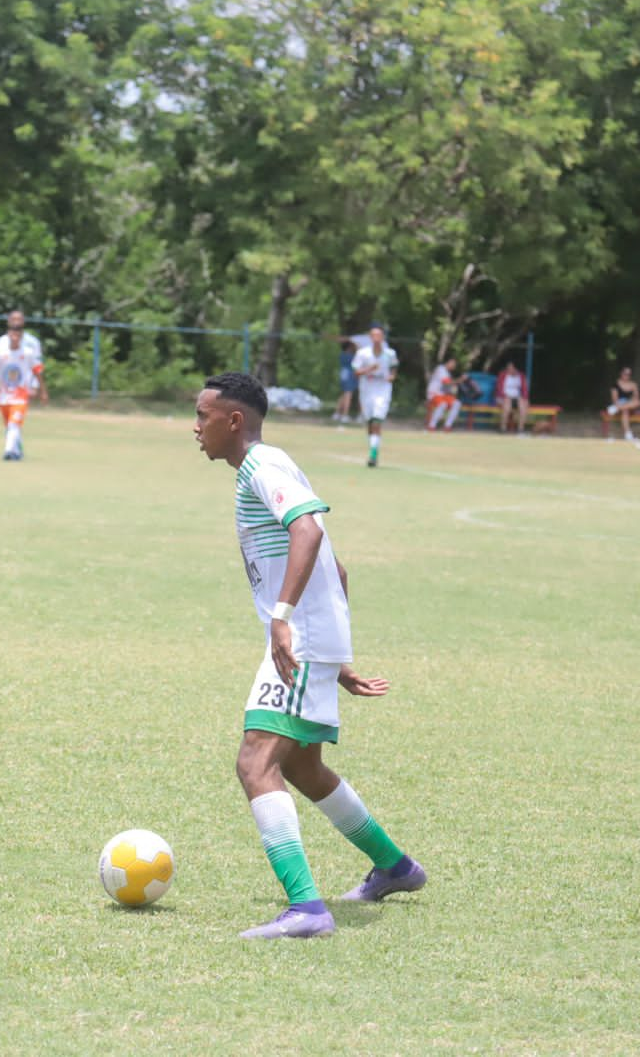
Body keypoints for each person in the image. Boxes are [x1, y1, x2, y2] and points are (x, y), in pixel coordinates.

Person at [192, 372, 426, 940]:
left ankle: (307, 910)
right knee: (301, 766)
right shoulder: (271, 463)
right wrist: (337, 656)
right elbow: (337, 567)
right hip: (314, 639)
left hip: (298, 637)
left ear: (234, 420)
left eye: (202, 416)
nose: (194, 428)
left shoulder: (263, 467)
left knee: (256, 764)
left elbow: (308, 533)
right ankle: (396, 867)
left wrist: (283, 615)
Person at [0, 309, 47, 461]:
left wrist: (36, 386)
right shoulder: (2, 342)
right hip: (5, 389)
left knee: (14, 423)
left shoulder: (32, 343)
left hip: (22, 389)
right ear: (8, 322)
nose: (16, 322)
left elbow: (36, 367)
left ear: (23, 322)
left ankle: (10, 450)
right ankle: (17, 449)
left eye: (19, 319)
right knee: (11, 425)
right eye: (13, 319)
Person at [350, 323, 399, 467]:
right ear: (370, 337)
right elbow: (356, 372)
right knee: (370, 421)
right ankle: (373, 445)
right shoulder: (363, 353)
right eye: (374, 335)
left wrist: (392, 376)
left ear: (383, 337)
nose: (377, 338)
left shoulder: (390, 353)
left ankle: (373, 453)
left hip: (383, 388)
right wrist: (369, 369)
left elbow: (394, 368)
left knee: (378, 420)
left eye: (379, 335)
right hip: (367, 387)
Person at [424, 357, 471, 431]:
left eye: (454, 365)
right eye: (453, 364)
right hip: (434, 393)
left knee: (457, 403)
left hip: (443, 394)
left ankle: (447, 426)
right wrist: (461, 379)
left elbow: (449, 386)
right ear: (448, 362)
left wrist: (454, 390)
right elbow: (446, 382)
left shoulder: (447, 372)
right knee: (443, 404)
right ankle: (431, 426)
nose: (454, 366)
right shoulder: (441, 369)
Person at [605, 366, 640, 441]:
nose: (627, 376)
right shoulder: (615, 384)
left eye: (628, 374)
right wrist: (621, 405)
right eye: (625, 374)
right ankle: (628, 434)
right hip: (620, 404)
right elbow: (615, 399)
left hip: (630, 405)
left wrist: (628, 403)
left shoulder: (633, 385)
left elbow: (636, 397)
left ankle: (616, 408)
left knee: (638, 402)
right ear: (621, 373)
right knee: (625, 411)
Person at [497, 361, 528, 434]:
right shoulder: (503, 375)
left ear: (515, 368)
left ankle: (520, 428)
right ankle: (503, 428)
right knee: (507, 406)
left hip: (517, 396)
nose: (509, 369)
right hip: (504, 396)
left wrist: (525, 398)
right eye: (508, 368)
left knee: (523, 406)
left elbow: (524, 389)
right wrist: (504, 396)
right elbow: (499, 388)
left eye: (511, 368)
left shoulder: (521, 376)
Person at [332, 338, 358, 423]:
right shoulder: (351, 356)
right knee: (348, 396)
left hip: (343, 374)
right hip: (349, 375)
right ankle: (344, 415)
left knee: (344, 395)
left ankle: (337, 413)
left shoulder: (342, 355)